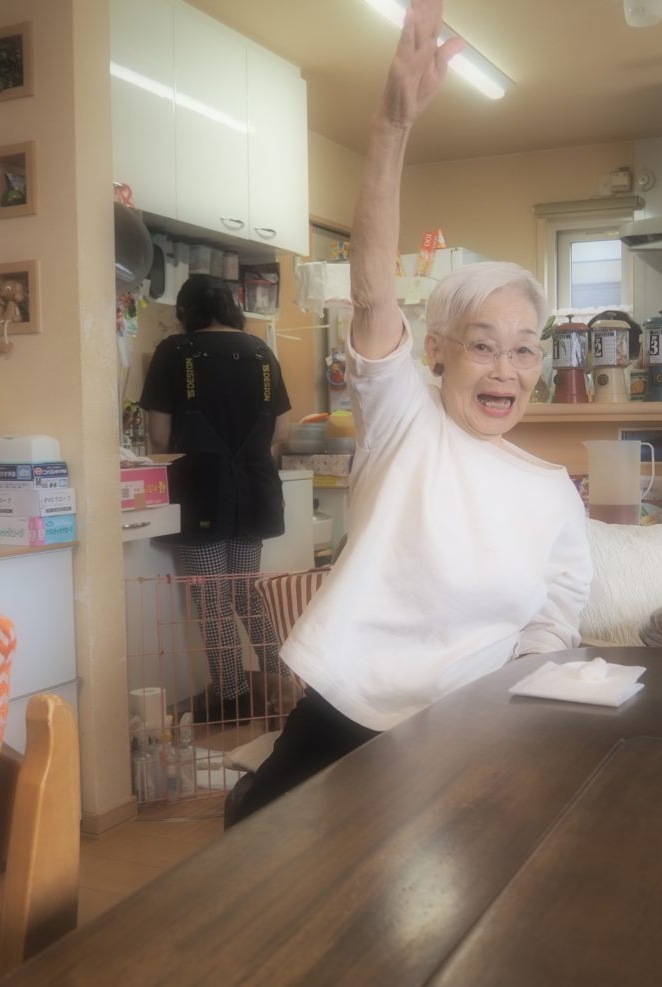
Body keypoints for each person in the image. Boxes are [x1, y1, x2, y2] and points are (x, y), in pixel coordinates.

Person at [231, 0, 592, 823]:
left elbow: (552, 626)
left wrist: (517, 718)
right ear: (438, 351)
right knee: (264, 871)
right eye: (483, 345)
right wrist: (391, 127)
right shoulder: (407, 420)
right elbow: (372, 291)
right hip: (344, 715)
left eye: (524, 349)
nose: (505, 369)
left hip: (466, 736)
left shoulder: (551, 495)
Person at [139, 274, 292, 723]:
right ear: (231, 309)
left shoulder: (173, 351)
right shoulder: (262, 352)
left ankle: (233, 698)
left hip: (200, 490)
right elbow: (281, 429)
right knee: (246, 593)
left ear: (186, 312)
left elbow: (159, 436)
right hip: (254, 489)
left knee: (213, 599)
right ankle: (283, 688)